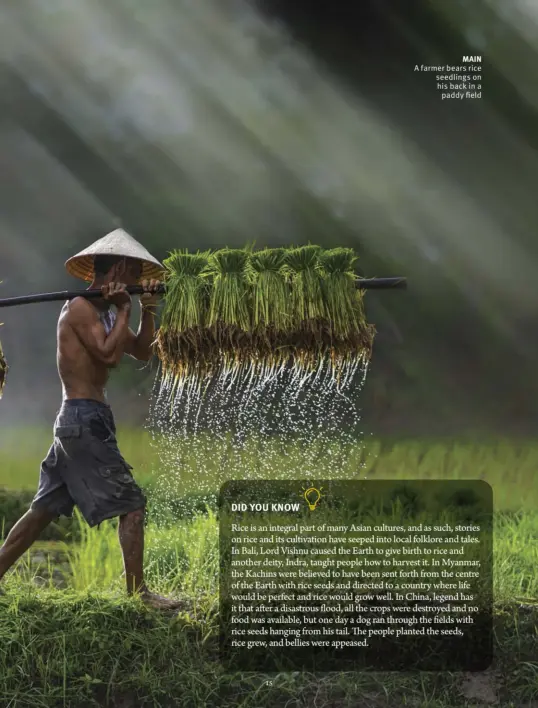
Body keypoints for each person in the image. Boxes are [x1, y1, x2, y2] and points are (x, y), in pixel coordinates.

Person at [0, 229, 184, 611]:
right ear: (118, 267)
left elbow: (141, 353)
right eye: (134, 271)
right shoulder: (80, 307)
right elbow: (108, 355)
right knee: (132, 505)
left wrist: (146, 309)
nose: (136, 280)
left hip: (84, 420)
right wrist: (129, 310)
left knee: (41, 512)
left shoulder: (110, 309)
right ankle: (138, 595)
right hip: (82, 420)